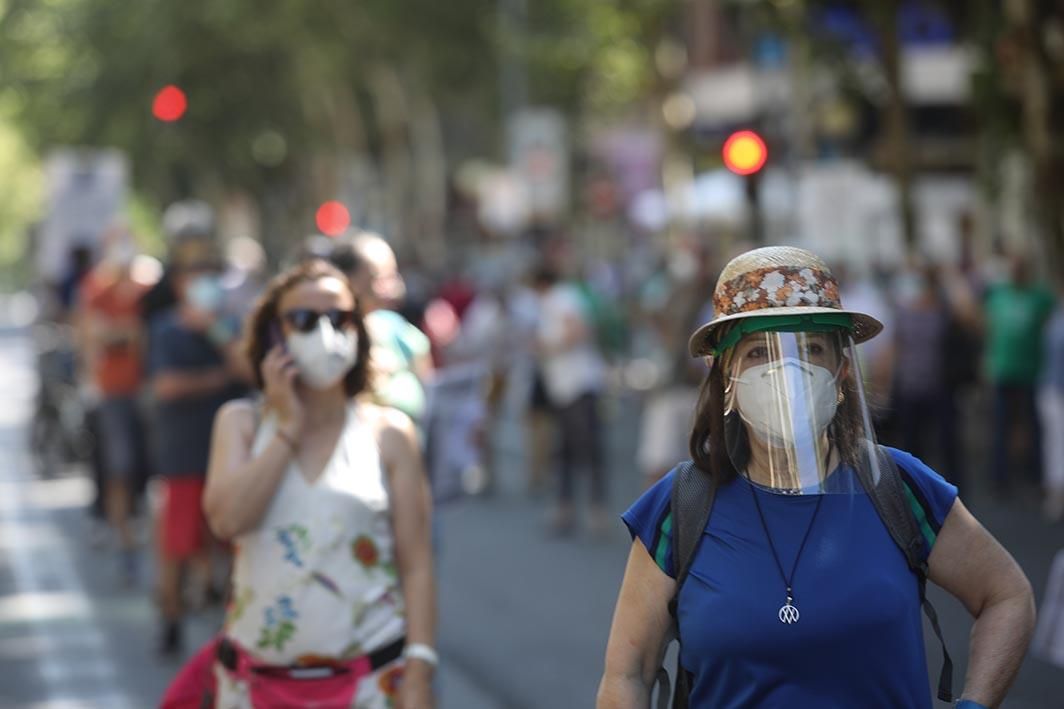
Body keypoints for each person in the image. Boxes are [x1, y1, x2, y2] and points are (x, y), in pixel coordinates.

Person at [598, 246, 1035, 708]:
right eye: (757, 352)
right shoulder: (680, 506)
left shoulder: (896, 485)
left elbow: (1007, 595)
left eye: (810, 348)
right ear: (725, 373)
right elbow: (627, 674)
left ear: (841, 370)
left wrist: (974, 705)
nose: (786, 372)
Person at [202, 259, 436, 709]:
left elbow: (417, 564)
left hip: (371, 684)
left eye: (339, 318)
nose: (324, 332)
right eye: (304, 319)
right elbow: (226, 520)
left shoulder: (389, 433)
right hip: (256, 688)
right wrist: (288, 426)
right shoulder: (242, 424)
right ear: (274, 334)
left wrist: (420, 672)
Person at [147, 245, 240, 655]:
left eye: (212, 275)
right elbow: (166, 385)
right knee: (177, 544)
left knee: (230, 544)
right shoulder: (166, 330)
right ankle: (171, 615)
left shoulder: (229, 327)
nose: (206, 284)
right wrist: (215, 379)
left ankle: (230, 626)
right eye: (197, 275)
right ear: (181, 283)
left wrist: (217, 334)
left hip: (230, 458)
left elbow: (247, 371)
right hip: (183, 453)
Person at [78, 235, 150, 584]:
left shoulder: (144, 290)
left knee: (145, 470)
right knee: (119, 468)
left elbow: (141, 335)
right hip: (113, 392)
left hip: (146, 392)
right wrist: (126, 334)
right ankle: (125, 544)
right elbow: (96, 334)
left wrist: (123, 334)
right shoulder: (98, 290)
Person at [531, 265, 609, 536]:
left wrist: (547, 346)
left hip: (578, 383)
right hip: (564, 385)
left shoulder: (560, 297)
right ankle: (569, 507)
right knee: (565, 447)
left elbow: (579, 330)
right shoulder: (560, 298)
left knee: (586, 446)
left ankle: (593, 508)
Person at [329, 232, 433, 425]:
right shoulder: (328, 341)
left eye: (393, 276)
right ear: (345, 280)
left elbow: (428, 378)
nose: (394, 288)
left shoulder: (395, 329)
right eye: (380, 278)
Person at [984, 253, 1055, 495]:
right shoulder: (998, 295)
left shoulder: (1040, 296)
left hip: (1031, 372)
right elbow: (989, 327)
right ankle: (1000, 479)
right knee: (1002, 426)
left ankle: (1036, 476)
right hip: (1004, 370)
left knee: (1034, 427)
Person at [1039, 281, 1064, 522]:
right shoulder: (1057, 319)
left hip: (1053, 390)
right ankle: (1056, 494)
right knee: (1056, 446)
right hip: (1055, 391)